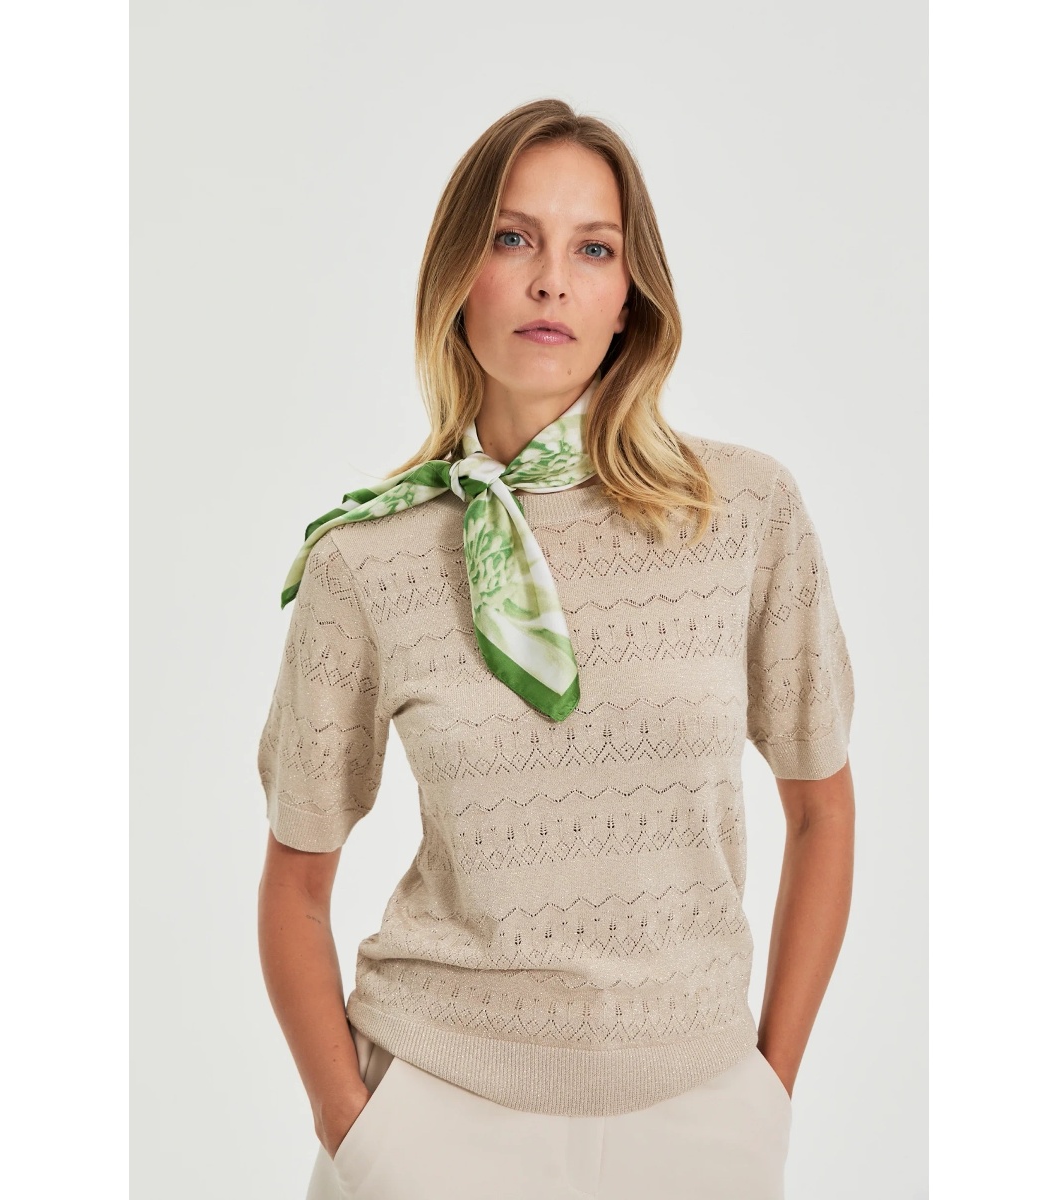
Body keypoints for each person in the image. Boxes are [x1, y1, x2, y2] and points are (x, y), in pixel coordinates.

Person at [257, 98, 856, 1200]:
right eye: (512, 238)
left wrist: (766, 1092)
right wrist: (358, 1126)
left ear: (630, 297)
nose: (551, 283)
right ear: (457, 277)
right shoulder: (366, 558)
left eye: (593, 249)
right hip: (436, 1115)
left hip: (700, 1122)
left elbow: (821, 808)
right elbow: (296, 882)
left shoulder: (744, 513)